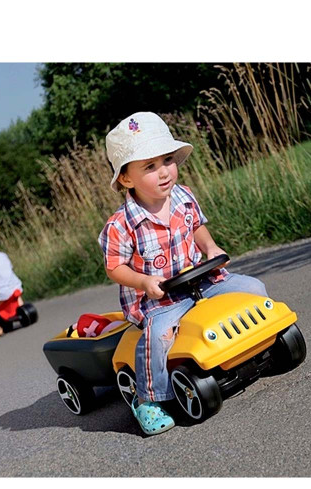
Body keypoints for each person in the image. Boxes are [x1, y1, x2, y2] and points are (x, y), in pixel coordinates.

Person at [98, 112, 268, 436]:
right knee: (158, 335)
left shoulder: (184, 196)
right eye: (149, 166)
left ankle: (259, 343)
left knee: (254, 289)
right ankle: (149, 399)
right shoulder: (120, 225)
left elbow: (198, 227)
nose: (164, 172)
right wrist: (144, 282)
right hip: (161, 299)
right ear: (126, 179)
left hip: (203, 278)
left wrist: (211, 248)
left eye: (167, 160)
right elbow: (114, 267)